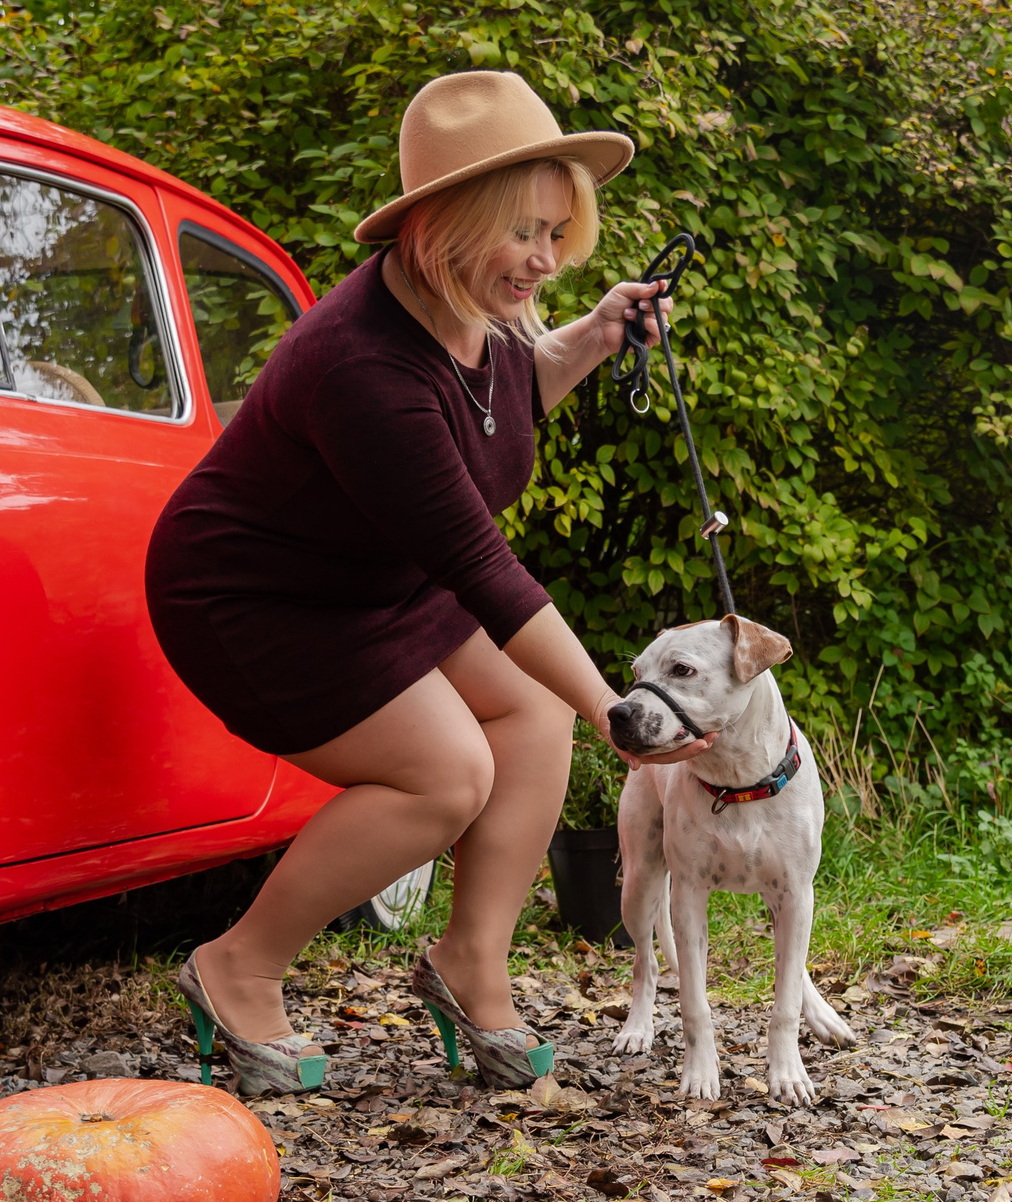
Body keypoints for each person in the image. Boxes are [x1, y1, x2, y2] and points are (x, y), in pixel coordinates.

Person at [144, 69, 710, 1096]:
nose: (544, 261)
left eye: (555, 232)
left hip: (373, 571)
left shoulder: (473, 310)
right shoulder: (361, 366)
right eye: (521, 234)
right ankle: (237, 966)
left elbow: (500, 400)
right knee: (444, 772)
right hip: (255, 597)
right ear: (442, 226)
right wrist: (620, 712)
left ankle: (470, 962)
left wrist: (591, 335)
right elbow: (482, 567)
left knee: (529, 714)